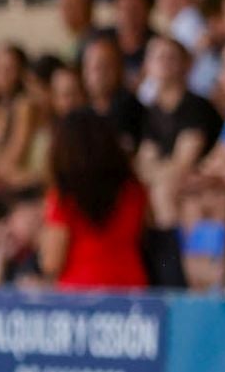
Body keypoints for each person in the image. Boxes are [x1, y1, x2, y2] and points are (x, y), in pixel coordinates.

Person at [40, 108, 149, 290]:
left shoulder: (64, 197)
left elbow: (51, 263)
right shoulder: (134, 190)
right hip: (131, 290)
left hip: (79, 296)